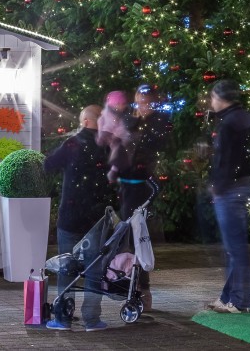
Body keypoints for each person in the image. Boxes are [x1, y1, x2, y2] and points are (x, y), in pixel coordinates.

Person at [43, 105, 112, 332]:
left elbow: (49, 164)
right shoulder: (106, 145)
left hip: (71, 215)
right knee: (94, 269)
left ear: (84, 121)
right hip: (96, 217)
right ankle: (92, 319)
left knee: (67, 267)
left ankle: (62, 318)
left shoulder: (72, 144)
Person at [207, 78, 250, 314]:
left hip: (231, 189)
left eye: (212, 97)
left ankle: (239, 300)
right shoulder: (246, 118)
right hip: (245, 185)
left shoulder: (228, 123)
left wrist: (218, 186)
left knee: (235, 246)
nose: (211, 102)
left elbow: (226, 160)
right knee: (234, 245)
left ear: (221, 98)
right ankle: (228, 296)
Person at [116, 84, 172, 311]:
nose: (143, 102)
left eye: (147, 98)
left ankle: (143, 290)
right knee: (125, 238)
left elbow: (151, 149)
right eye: (140, 97)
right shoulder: (130, 120)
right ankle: (130, 285)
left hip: (141, 187)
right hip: (126, 187)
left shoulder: (157, 124)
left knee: (140, 238)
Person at [96, 90, 134, 183]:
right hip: (116, 137)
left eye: (125, 104)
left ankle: (117, 170)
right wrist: (104, 135)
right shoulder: (109, 113)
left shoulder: (123, 112)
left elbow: (126, 125)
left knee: (123, 151)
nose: (124, 106)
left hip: (123, 136)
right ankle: (114, 170)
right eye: (122, 104)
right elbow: (108, 125)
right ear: (115, 104)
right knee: (118, 151)